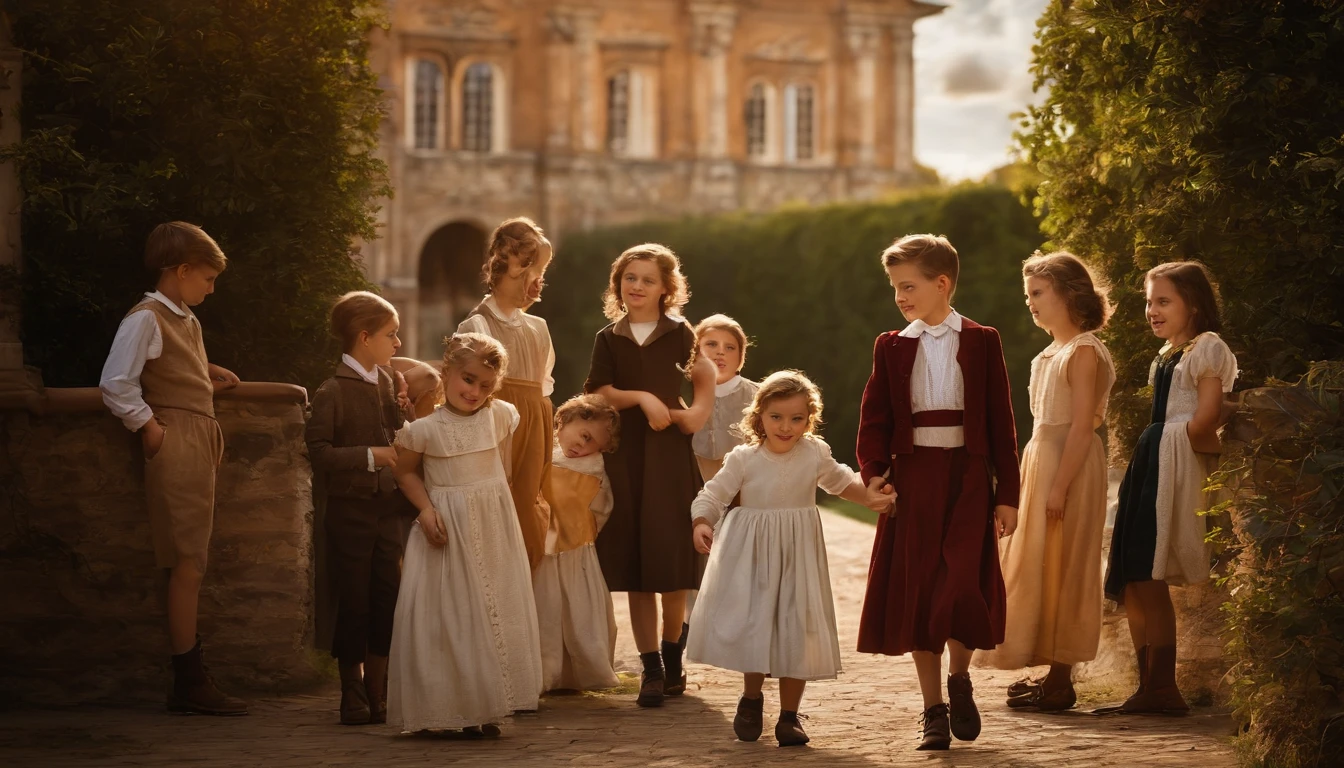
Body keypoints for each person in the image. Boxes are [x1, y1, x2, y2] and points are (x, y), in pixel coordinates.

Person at [855, 234, 1020, 750]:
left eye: (909, 286)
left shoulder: (982, 340)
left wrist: (1007, 493)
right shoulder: (892, 346)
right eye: (894, 288)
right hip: (914, 480)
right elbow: (875, 419)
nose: (900, 297)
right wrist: (874, 474)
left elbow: (1001, 422)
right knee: (920, 592)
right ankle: (933, 711)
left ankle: (960, 677)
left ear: (941, 283)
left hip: (969, 480)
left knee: (962, 587)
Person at [689, 371, 893, 746]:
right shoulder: (744, 457)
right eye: (777, 417)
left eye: (797, 418)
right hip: (752, 555)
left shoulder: (814, 453)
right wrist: (702, 521)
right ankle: (751, 699)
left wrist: (873, 497)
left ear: (809, 419)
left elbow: (842, 482)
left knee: (796, 626)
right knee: (757, 623)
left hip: (799, 554)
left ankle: (789, 716)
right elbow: (713, 494)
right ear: (759, 416)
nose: (786, 427)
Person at [99, 221, 245, 715]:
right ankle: (188, 678)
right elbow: (117, 381)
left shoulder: (185, 319)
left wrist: (207, 373)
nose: (211, 286)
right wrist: (150, 428)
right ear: (182, 271)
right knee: (187, 562)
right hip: (177, 441)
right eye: (206, 277)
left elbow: (173, 365)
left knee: (193, 559)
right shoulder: (145, 318)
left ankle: (189, 675)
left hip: (198, 439)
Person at [386, 333, 542, 736]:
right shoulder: (424, 430)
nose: (475, 391)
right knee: (450, 615)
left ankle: (485, 706)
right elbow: (404, 472)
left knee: (491, 612)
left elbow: (500, 469)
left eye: (486, 385)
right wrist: (425, 511)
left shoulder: (502, 416)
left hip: (492, 526)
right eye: (467, 379)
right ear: (446, 372)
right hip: (447, 527)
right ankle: (441, 710)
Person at [983, 252, 1116, 711]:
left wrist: (1059, 487)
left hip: (1071, 468)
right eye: (1027, 295)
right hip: (1042, 462)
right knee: (1038, 563)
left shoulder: (1083, 351)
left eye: (1038, 293)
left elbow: (1082, 427)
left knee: (1067, 564)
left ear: (1068, 293)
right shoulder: (1048, 354)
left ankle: (1061, 680)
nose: (1031, 303)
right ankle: (1049, 672)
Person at [1103, 261, 1237, 714]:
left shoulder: (1208, 348)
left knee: (1151, 576)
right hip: (1152, 457)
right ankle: (1148, 686)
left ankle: (1164, 688)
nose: (1152, 310)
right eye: (1149, 301)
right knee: (1137, 576)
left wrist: (1219, 458)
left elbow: (1203, 420)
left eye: (1163, 301)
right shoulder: (1167, 353)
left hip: (1173, 463)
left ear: (1194, 305)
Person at [584, 243, 715, 707]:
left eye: (647, 279)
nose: (636, 286)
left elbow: (705, 376)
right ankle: (651, 671)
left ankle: (674, 656)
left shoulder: (682, 333)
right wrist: (640, 397)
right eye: (629, 277)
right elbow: (599, 393)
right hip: (627, 457)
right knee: (639, 568)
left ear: (666, 289)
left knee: (672, 567)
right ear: (618, 283)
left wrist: (695, 414)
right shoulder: (608, 337)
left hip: (669, 456)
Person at [306, 291, 416, 725]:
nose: (398, 344)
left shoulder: (388, 382)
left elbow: (396, 433)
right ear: (365, 337)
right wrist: (371, 455)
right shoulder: (332, 390)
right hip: (349, 512)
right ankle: (350, 689)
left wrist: (405, 416)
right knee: (353, 600)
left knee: (386, 597)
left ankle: (379, 687)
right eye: (392, 335)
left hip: (386, 509)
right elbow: (318, 451)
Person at [457, 217, 556, 570]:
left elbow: (544, 386)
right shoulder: (478, 325)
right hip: (500, 433)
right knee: (500, 514)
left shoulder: (538, 327)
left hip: (536, 432)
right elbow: (466, 391)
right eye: (534, 269)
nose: (539, 280)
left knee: (533, 510)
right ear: (511, 265)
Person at [534, 394, 623, 692]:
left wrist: (583, 529)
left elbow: (602, 507)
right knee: (544, 608)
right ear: (567, 419)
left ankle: (578, 671)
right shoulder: (541, 450)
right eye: (583, 436)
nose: (582, 447)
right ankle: (545, 671)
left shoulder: (593, 468)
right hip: (541, 546)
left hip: (576, 550)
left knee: (577, 610)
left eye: (592, 444)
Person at [682, 313, 758, 648]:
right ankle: (684, 636)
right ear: (695, 351)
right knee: (691, 574)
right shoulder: (682, 394)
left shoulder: (757, 397)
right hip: (695, 494)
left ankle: (752, 639)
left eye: (730, 347)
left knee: (746, 574)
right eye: (710, 344)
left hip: (745, 499)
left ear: (741, 357)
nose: (720, 352)